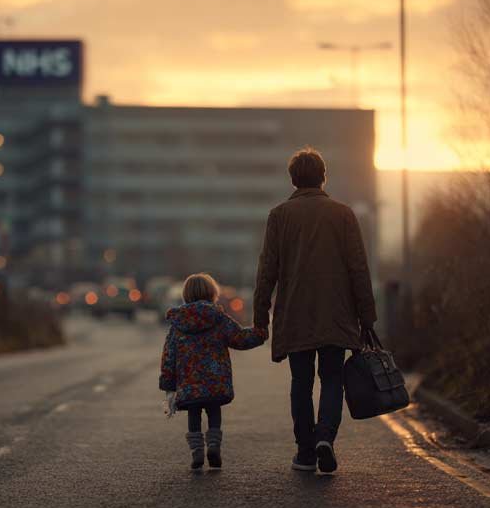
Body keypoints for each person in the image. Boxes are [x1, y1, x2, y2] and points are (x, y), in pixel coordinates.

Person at [253, 146, 377, 474]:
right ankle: (326, 438)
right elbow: (358, 268)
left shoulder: (279, 216)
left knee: (301, 382)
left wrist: (260, 315)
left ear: (293, 179)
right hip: (336, 313)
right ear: (323, 177)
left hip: (296, 313)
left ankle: (306, 451)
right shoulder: (343, 214)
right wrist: (367, 315)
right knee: (333, 378)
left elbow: (268, 269)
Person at [159, 273, 268, 471]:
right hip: (215, 380)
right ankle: (214, 446)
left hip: (189, 383)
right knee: (213, 410)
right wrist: (260, 334)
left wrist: (168, 385)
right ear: (212, 294)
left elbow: (169, 355)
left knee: (194, 413)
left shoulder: (178, 324)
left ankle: (197, 453)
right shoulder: (218, 319)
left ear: (186, 295)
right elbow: (239, 337)